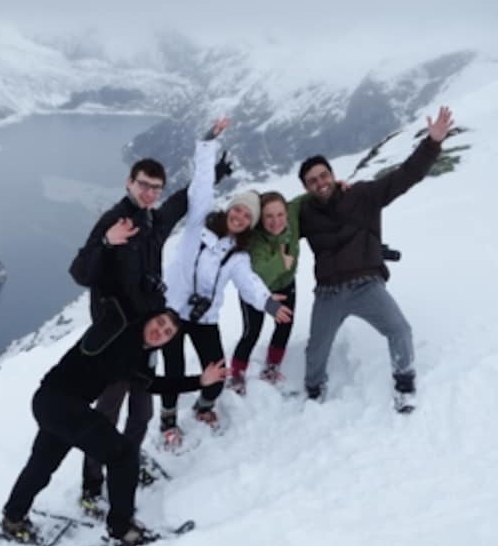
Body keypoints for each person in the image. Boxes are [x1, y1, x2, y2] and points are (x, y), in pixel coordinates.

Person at [69, 134, 232, 510]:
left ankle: (127, 462)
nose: (149, 193)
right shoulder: (114, 221)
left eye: (155, 188)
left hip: (146, 336)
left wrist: (213, 175)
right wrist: (106, 244)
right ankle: (92, 487)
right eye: (143, 185)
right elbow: (80, 272)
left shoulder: (154, 222)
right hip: (113, 340)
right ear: (130, 182)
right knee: (107, 413)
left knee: (141, 412)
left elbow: (181, 203)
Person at [0, 306, 226, 546]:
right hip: (61, 404)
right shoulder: (120, 331)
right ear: (148, 318)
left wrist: (200, 381)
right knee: (124, 455)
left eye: (168, 332)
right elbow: (115, 305)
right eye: (159, 323)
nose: (160, 331)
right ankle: (122, 528)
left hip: (52, 405)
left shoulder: (137, 355)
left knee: (42, 465)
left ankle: (13, 518)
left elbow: (151, 384)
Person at [298, 106, 454, 413]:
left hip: (365, 284)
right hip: (328, 292)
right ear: (306, 188)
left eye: (323, 176)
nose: (320, 183)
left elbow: (406, 176)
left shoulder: (364, 195)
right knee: (316, 346)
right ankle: (314, 388)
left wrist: (432, 143)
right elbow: (274, 222)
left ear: (333, 175)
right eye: (312, 181)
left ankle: (405, 384)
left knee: (400, 329)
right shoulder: (304, 213)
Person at [159, 118, 292, 447]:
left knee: (217, 373)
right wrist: (207, 144)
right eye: (238, 210)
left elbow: (250, 284)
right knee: (173, 370)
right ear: (229, 209)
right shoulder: (197, 224)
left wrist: (269, 304)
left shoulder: (238, 255)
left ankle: (205, 407)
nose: (240, 216)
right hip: (173, 311)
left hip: (204, 318)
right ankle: (168, 420)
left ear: (250, 224)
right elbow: (201, 185)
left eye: (248, 216)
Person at [229, 191, 302, 393]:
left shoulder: (293, 217)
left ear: (287, 213)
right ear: (261, 218)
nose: (276, 221)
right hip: (256, 292)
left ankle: (272, 368)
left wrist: (338, 186)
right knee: (251, 332)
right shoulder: (256, 240)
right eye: (268, 216)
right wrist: (281, 262)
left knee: (284, 325)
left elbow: (307, 198)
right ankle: (236, 375)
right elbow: (259, 275)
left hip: (286, 285)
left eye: (280, 214)